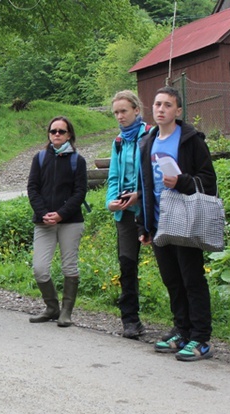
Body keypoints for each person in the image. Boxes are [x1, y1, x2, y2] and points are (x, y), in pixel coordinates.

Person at [136, 86, 217, 361]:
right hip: (159, 224)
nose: (161, 109)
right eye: (157, 104)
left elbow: (208, 180)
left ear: (178, 111)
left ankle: (200, 339)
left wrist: (182, 182)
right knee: (172, 280)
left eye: (167, 105)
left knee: (192, 279)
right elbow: (144, 185)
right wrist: (143, 225)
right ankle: (182, 330)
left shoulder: (191, 140)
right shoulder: (147, 141)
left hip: (186, 222)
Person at [27, 116, 88, 327]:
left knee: (69, 267)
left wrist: (61, 213)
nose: (57, 135)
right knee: (40, 268)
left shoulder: (77, 161)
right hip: (43, 222)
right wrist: (44, 212)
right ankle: (52, 307)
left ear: (69, 134)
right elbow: (32, 188)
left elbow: (80, 192)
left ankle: (66, 312)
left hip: (70, 222)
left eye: (61, 131)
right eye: (53, 131)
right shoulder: (40, 158)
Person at [105, 91, 149, 338]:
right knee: (127, 265)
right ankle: (130, 321)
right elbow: (113, 176)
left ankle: (181, 323)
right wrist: (110, 202)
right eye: (116, 113)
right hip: (125, 215)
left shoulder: (150, 136)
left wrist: (139, 195)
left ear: (136, 110)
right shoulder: (119, 142)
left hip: (149, 211)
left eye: (123, 111)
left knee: (170, 267)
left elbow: (154, 176)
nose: (120, 116)